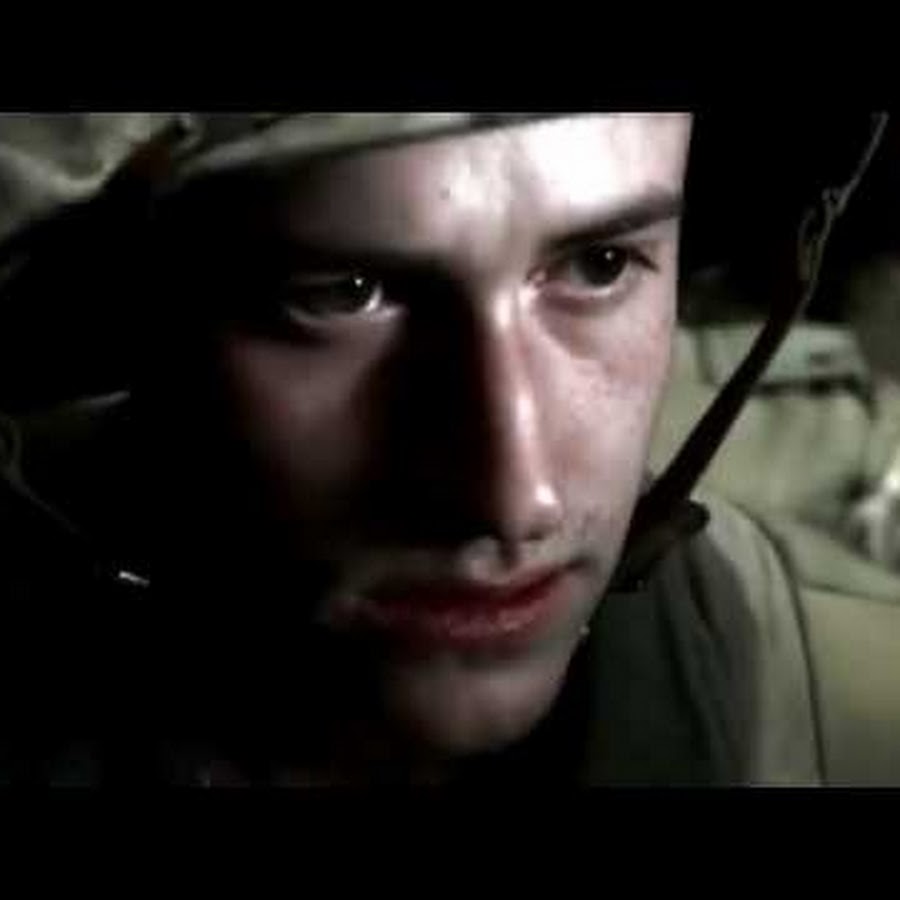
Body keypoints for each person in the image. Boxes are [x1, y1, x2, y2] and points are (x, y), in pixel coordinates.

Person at [0, 112, 898, 786]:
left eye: (599, 266)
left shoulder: (847, 726)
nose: (512, 497)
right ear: (136, 318)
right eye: (343, 293)